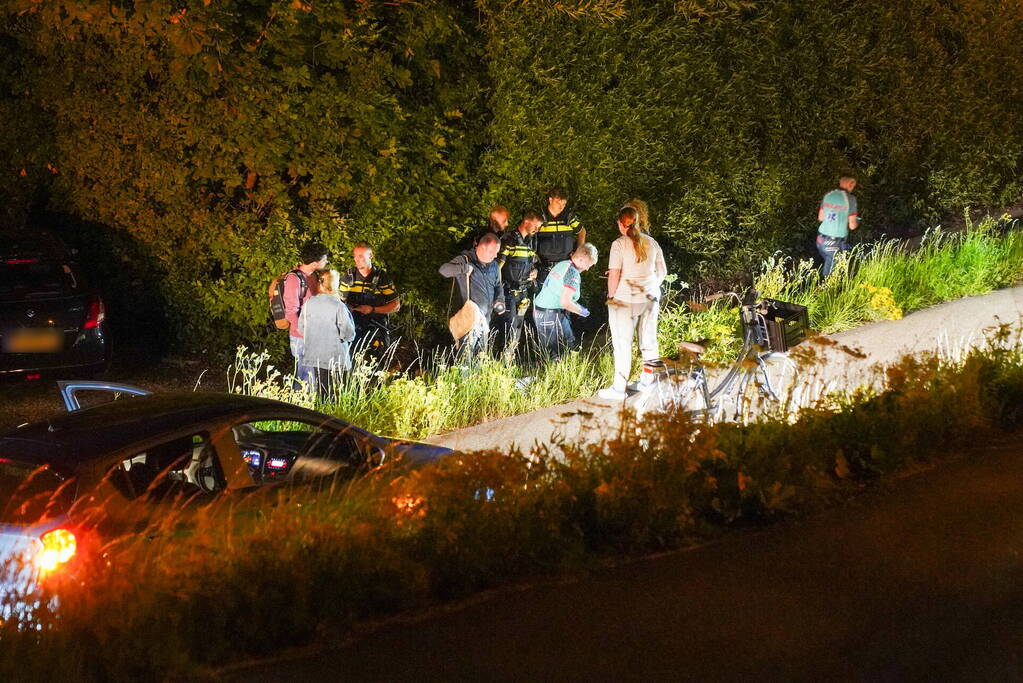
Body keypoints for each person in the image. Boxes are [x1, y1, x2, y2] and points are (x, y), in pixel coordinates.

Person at [599, 205, 667, 401]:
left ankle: (619, 388)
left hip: (625, 300)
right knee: (649, 341)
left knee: (623, 344)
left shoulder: (619, 244)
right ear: (638, 222)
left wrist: (611, 296)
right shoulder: (652, 243)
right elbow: (661, 272)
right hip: (650, 298)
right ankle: (647, 380)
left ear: (620, 224)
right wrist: (651, 286)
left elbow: (614, 274)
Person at [439, 232, 504, 358]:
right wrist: (464, 268)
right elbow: (444, 270)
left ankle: (476, 377)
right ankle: (462, 377)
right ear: (482, 247)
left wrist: (500, 300)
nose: (496, 255)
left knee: (480, 357)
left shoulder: (494, 265)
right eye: (493, 252)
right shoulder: (465, 259)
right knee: (465, 358)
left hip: (485, 320)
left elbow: (498, 285)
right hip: (468, 320)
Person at [532, 243, 598, 358]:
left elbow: (559, 291)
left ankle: (545, 372)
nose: (587, 269)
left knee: (547, 351)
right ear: (581, 259)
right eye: (588, 265)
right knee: (566, 349)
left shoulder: (563, 264)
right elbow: (565, 302)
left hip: (540, 311)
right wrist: (582, 312)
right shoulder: (573, 273)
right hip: (552, 315)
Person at [338, 242, 400, 361]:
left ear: (371, 255)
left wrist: (373, 309)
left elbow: (396, 306)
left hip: (376, 328)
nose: (357, 259)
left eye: (361, 256)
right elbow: (339, 304)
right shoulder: (348, 278)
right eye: (355, 256)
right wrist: (348, 308)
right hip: (353, 328)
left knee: (376, 362)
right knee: (352, 361)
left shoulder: (382, 278)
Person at [298, 269, 356, 397]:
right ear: (335, 284)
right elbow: (348, 334)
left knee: (322, 391)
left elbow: (301, 329)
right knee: (342, 392)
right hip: (336, 357)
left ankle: (321, 414)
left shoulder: (308, 303)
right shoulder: (338, 306)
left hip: (315, 357)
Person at [497, 210, 543, 356]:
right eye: (536, 226)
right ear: (526, 222)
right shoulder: (509, 239)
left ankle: (509, 360)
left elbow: (534, 263)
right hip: (508, 293)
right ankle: (501, 363)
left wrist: (535, 272)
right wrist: (496, 291)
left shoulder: (531, 242)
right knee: (508, 328)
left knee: (517, 327)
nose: (537, 230)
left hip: (523, 295)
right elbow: (497, 267)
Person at [284, 241, 329, 388]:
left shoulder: (314, 275)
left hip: (314, 333)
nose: (326, 261)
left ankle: (310, 407)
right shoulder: (294, 278)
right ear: (316, 262)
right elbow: (291, 311)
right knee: (304, 377)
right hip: (301, 337)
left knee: (313, 376)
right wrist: (303, 333)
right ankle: (300, 408)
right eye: (324, 259)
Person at [536, 187, 586, 286]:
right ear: (550, 200)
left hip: (565, 266)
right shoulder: (540, 217)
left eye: (563, 204)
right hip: (544, 267)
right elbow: (530, 237)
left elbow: (582, 231)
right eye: (558, 203)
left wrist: (578, 252)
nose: (561, 207)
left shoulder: (569, 217)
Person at [816, 175, 859, 277]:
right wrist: (856, 222)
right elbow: (852, 225)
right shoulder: (850, 199)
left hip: (820, 240)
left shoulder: (828, 195)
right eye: (853, 186)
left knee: (830, 265)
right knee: (830, 276)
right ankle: (825, 291)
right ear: (850, 184)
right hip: (834, 243)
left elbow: (821, 217)